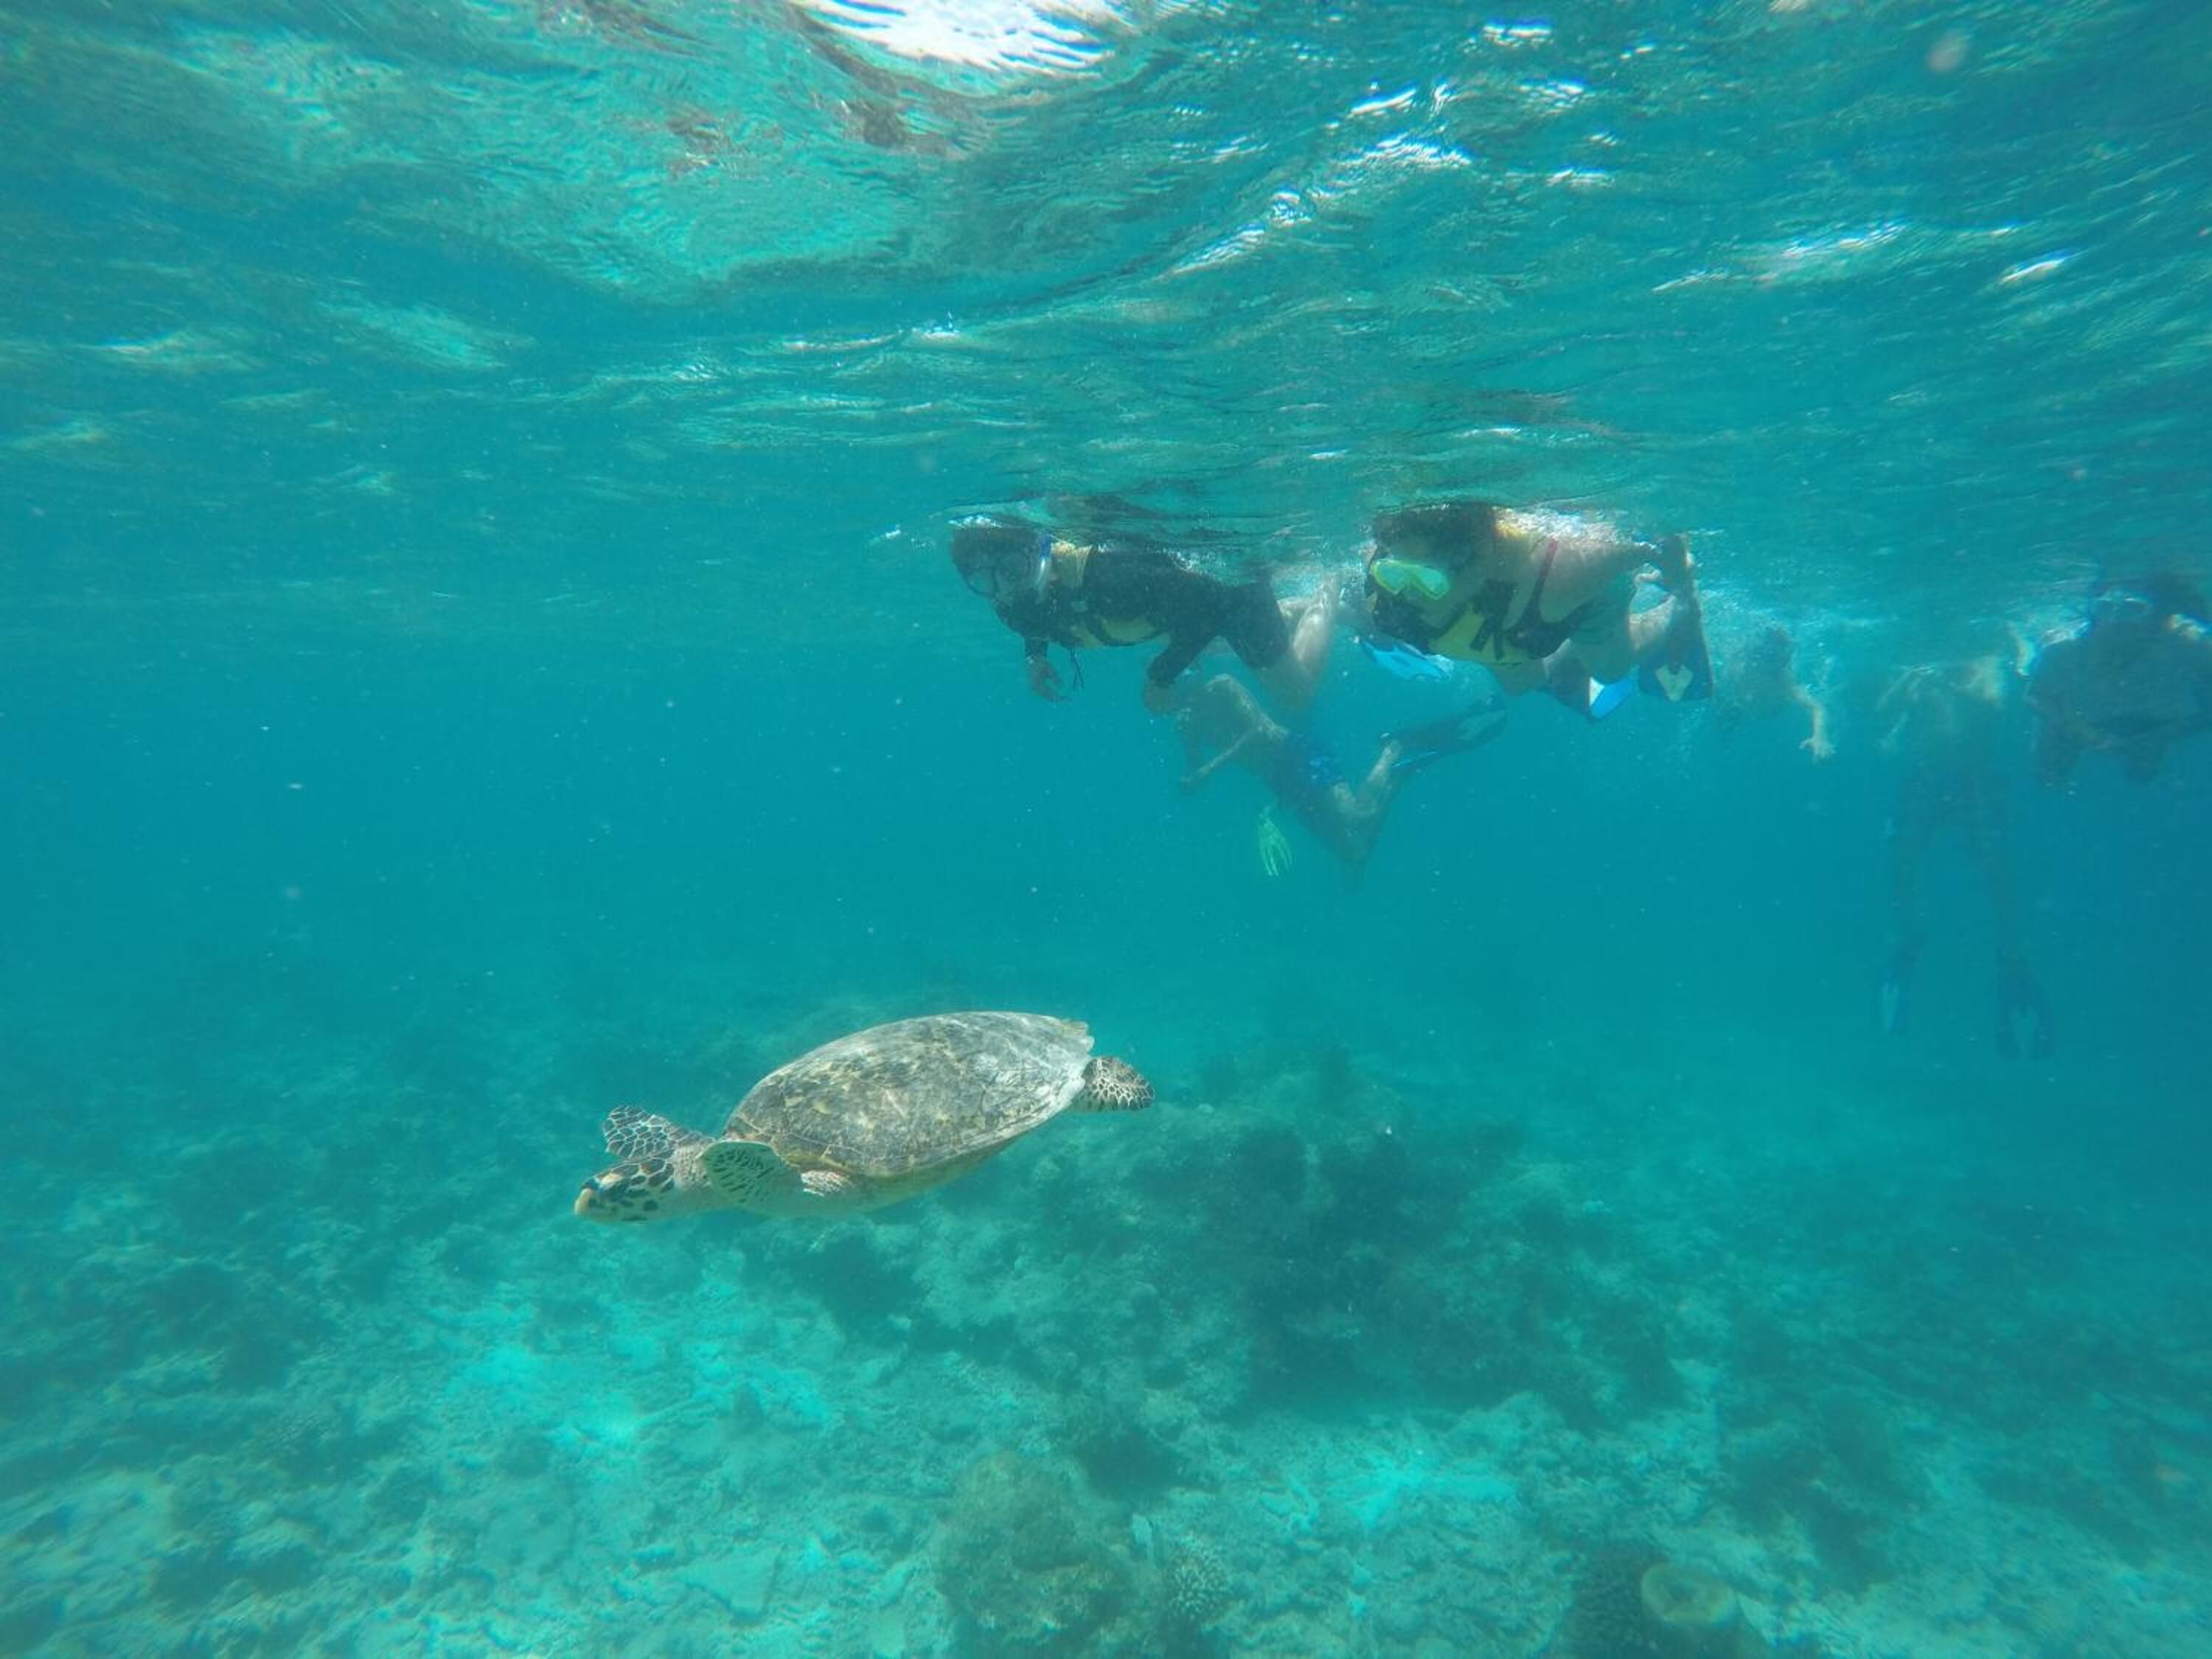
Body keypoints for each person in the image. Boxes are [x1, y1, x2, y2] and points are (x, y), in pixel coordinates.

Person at [950, 518, 1335, 714]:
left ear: (1042, 553)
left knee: (1295, 696)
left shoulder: (1107, 582)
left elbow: (1206, 607)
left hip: (1230, 594)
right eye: (986, 579)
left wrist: (1161, 677)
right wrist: (1035, 655)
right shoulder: (1012, 604)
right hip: (1176, 610)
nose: (1006, 588)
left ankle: (1329, 590)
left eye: (1014, 571)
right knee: (1212, 647)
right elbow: (1033, 612)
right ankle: (1288, 610)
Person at [1358, 499, 1713, 709]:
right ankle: (1557, 651)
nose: (1406, 593)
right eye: (1395, 573)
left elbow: (1656, 546)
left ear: (1478, 566)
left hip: (1578, 599)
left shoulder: (1564, 574)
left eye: (1427, 581)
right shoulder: (1385, 582)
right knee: (1521, 685)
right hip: (1512, 622)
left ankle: (1675, 608)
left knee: (1609, 669)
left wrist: (1680, 581)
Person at [1873, 656, 2053, 1059]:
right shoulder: (1918, 669)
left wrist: (1951, 682)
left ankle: (2013, 955)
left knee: (1998, 871)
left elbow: (1995, 706)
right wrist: (1908, 681)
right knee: (1901, 859)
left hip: (1976, 778)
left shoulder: (1983, 662)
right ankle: (1909, 937)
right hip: (1926, 775)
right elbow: (1883, 713)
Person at [1173, 674, 1506, 874]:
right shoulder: (1190, 718)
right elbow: (1194, 772)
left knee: (1357, 817)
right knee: (1354, 857)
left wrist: (1209, 769)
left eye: (1187, 674)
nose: (1184, 682)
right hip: (1279, 780)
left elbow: (1258, 732)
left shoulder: (1222, 687)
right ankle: (1400, 777)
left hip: (1295, 754)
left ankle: (1395, 748)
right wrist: (1190, 744)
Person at [2026, 574, 2212, 787]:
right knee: (2049, 774)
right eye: (2105, 608)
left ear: (2159, 618)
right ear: (2093, 613)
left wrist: (2163, 735)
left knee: (2143, 776)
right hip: (2076, 713)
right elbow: (2036, 696)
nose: (2115, 622)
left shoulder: (2190, 643)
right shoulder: (2063, 646)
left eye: (2132, 610)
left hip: (2150, 721)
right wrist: (2082, 733)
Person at [1717, 624, 1835, 759]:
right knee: (1724, 732)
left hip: (1771, 712)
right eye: (1776, 659)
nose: (1780, 664)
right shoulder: (1738, 663)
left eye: (1783, 659)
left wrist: (1820, 737)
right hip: (1738, 707)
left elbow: (1817, 708)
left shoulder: (1784, 681)